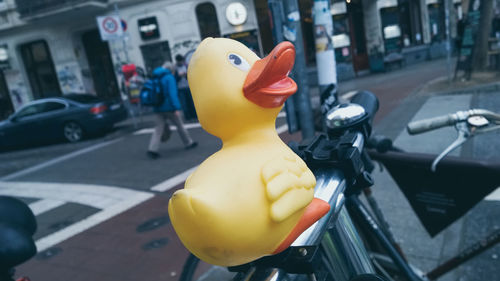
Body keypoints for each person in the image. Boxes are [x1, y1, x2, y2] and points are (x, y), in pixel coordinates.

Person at [147, 62, 197, 159]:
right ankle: (189, 143)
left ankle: (152, 150)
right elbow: (172, 94)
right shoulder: (169, 77)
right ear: (171, 70)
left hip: (157, 107)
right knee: (179, 125)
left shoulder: (155, 76)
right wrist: (176, 107)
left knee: (158, 129)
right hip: (169, 107)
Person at [175, 54, 197, 121]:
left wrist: (185, 75)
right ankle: (188, 117)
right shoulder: (175, 68)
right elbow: (175, 79)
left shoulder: (186, 66)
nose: (181, 62)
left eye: (182, 61)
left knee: (191, 102)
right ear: (177, 61)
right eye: (180, 61)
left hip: (188, 87)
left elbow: (190, 76)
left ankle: (194, 116)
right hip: (180, 88)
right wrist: (179, 76)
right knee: (184, 104)